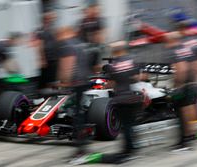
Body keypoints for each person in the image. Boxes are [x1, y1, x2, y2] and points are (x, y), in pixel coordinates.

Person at [56, 27, 97, 159]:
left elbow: (67, 66)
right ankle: (82, 145)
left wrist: (63, 81)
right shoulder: (79, 43)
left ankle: (81, 148)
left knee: (76, 115)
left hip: (76, 82)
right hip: (84, 80)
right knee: (80, 113)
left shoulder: (66, 45)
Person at [103, 41, 142, 163]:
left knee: (125, 126)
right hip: (132, 97)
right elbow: (137, 78)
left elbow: (111, 84)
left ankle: (128, 151)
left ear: (115, 51)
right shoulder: (132, 61)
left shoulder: (112, 65)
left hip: (121, 98)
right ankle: (133, 147)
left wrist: (106, 85)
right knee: (131, 124)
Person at [164, 31, 197, 151]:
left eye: (166, 41)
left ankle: (184, 141)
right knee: (190, 109)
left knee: (181, 113)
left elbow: (182, 69)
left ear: (171, 40)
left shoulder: (174, 51)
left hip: (182, 85)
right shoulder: (188, 49)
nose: (165, 43)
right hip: (192, 83)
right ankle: (191, 135)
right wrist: (194, 81)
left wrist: (177, 85)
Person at [34, 10, 58, 89]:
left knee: (53, 76)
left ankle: (52, 90)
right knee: (46, 76)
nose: (51, 20)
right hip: (47, 57)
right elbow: (39, 45)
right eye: (49, 18)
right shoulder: (40, 30)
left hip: (53, 56)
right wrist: (42, 58)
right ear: (45, 19)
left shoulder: (52, 28)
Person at [78, 2, 105, 73]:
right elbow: (80, 32)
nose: (87, 13)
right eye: (85, 11)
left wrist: (98, 39)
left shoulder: (98, 20)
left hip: (95, 46)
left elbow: (101, 34)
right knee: (87, 64)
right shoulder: (82, 21)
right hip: (86, 46)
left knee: (96, 64)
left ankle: (97, 76)